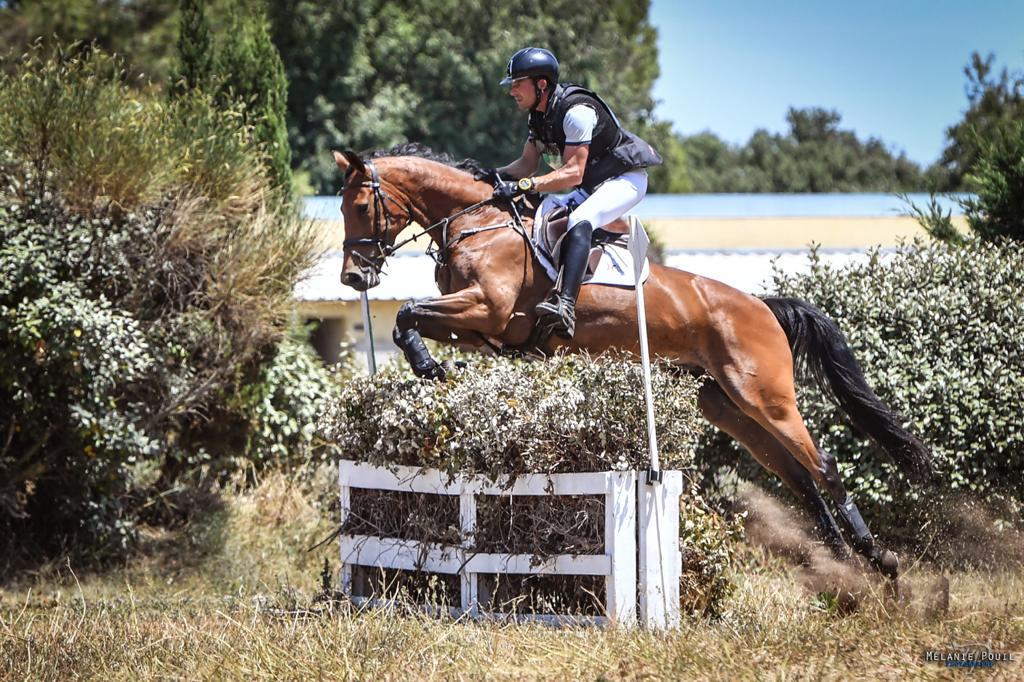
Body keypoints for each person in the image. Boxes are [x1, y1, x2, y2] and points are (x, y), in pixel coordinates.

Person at [479, 47, 662, 339]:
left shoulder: (575, 111)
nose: (512, 90)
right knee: (542, 218)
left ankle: (565, 305)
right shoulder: (537, 117)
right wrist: (488, 175)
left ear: (541, 84)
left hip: (624, 179)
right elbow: (526, 165)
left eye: (517, 82)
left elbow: (573, 172)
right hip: (591, 186)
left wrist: (525, 185)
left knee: (580, 220)